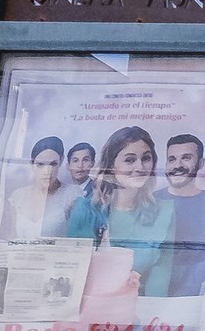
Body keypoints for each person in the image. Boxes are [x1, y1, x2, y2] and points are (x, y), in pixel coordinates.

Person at [61, 125, 182, 298]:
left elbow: (159, 284)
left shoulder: (163, 213)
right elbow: (74, 275)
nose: (140, 167)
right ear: (111, 166)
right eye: (130, 160)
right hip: (93, 308)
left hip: (142, 309)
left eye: (146, 158)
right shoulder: (86, 211)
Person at [154, 132, 205, 298]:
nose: (177, 165)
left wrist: (186, 291)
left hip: (192, 299)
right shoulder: (150, 202)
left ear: (201, 163)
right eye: (172, 159)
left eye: (186, 158)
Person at [5, 137, 74, 239]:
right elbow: (12, 236)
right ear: (32, 164)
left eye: (53, 164)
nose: (47, 172)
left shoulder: (71, 195)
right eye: (40, 164)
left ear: (61, 162)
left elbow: (77, 238)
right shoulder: (18, 197)